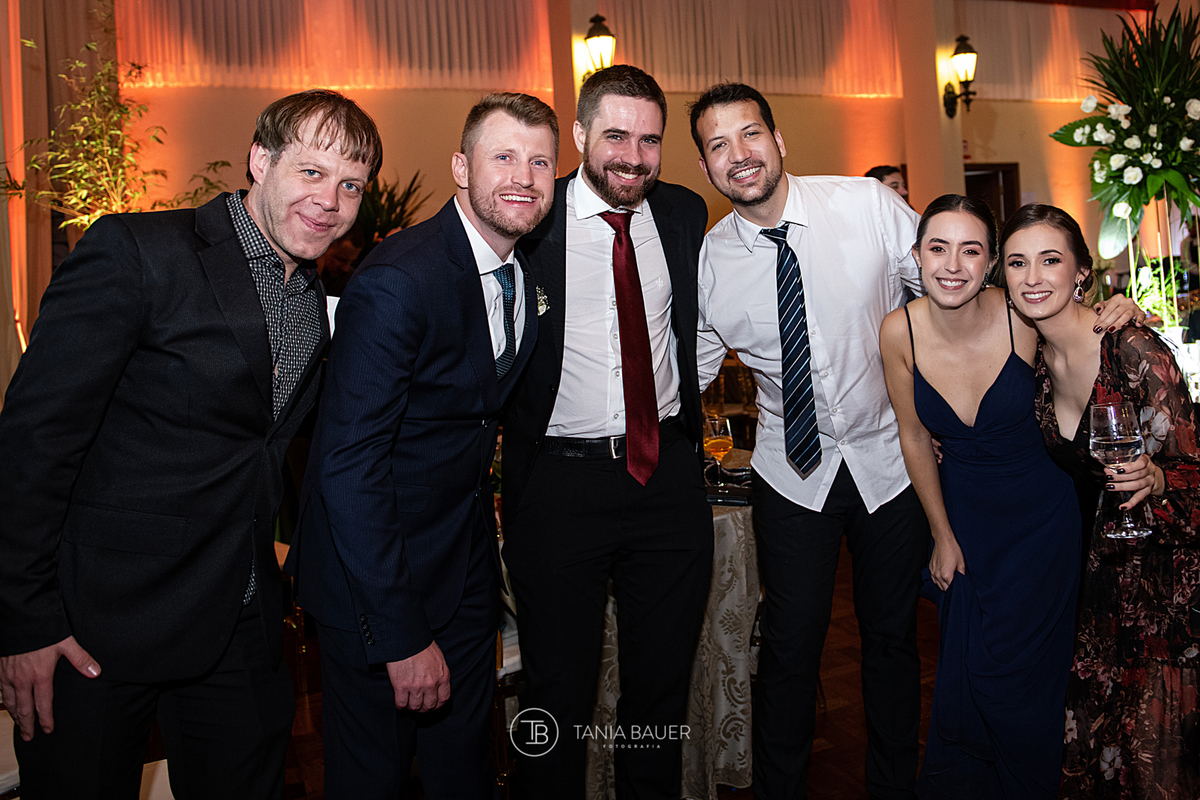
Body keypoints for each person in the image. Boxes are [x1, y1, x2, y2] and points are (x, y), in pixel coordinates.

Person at [687, 83, 1141, 799]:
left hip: (889, 463)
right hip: (790, 474)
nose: (738, 154)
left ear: (778, 140)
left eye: (750, 134)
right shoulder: (710, 262)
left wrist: (1092, 307)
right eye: (718, 145)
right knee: (789, 648)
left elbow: (950, 272)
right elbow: (688, 373)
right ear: (705, 165)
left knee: (892, 642)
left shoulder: (865, 207)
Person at [0, 89, 382, 798]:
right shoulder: (137, 251)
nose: (330, 201)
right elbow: (32, 442)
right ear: (260, 160)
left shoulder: (313, 298)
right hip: (100, 625)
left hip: (239, 619)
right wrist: (26, 621)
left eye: (351, 185)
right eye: (311, 172)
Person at [287, 92, 557, 799]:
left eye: (540, 162)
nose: (523, 177)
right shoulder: (399, 280)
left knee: (463, 768)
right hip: (375, 583)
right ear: (461, 169)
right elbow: (349, 466)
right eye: (504, 157)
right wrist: (401, 634)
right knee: (372, 779)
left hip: (461, 567)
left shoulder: (522, 271)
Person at [500, 65, 713, 800]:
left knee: (660, 690)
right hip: (560, 485)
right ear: (580, 134)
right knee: (557, 694)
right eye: (616, 136)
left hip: (669, 479)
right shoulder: (532, 218)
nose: (633, 156)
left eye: (649, 140)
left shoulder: (684, 213)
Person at [879, 195, 1082, 798]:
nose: (952, 265)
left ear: (991, 262)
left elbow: (1082, 333)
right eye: (937, 248)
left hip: (1044, 525)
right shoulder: (900, 331)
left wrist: (1117, 310)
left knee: (1035, 682)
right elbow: (914, 435)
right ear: (916, 256)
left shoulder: (1022, 315)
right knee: (977, 674)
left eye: (971, 250)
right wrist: (941, 534)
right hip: (967, 527)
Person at [1001, 204, 1200, 799]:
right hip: (1104, 576)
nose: (1033, 277)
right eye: (1017, 262)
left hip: (1167, 582)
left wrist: (1158, 480)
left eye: (1050, 260)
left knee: (1159, 754)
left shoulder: (1132, 349)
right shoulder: (1032, 357)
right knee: (1111, 744)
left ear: (1082, 272)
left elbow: (1194, 470)